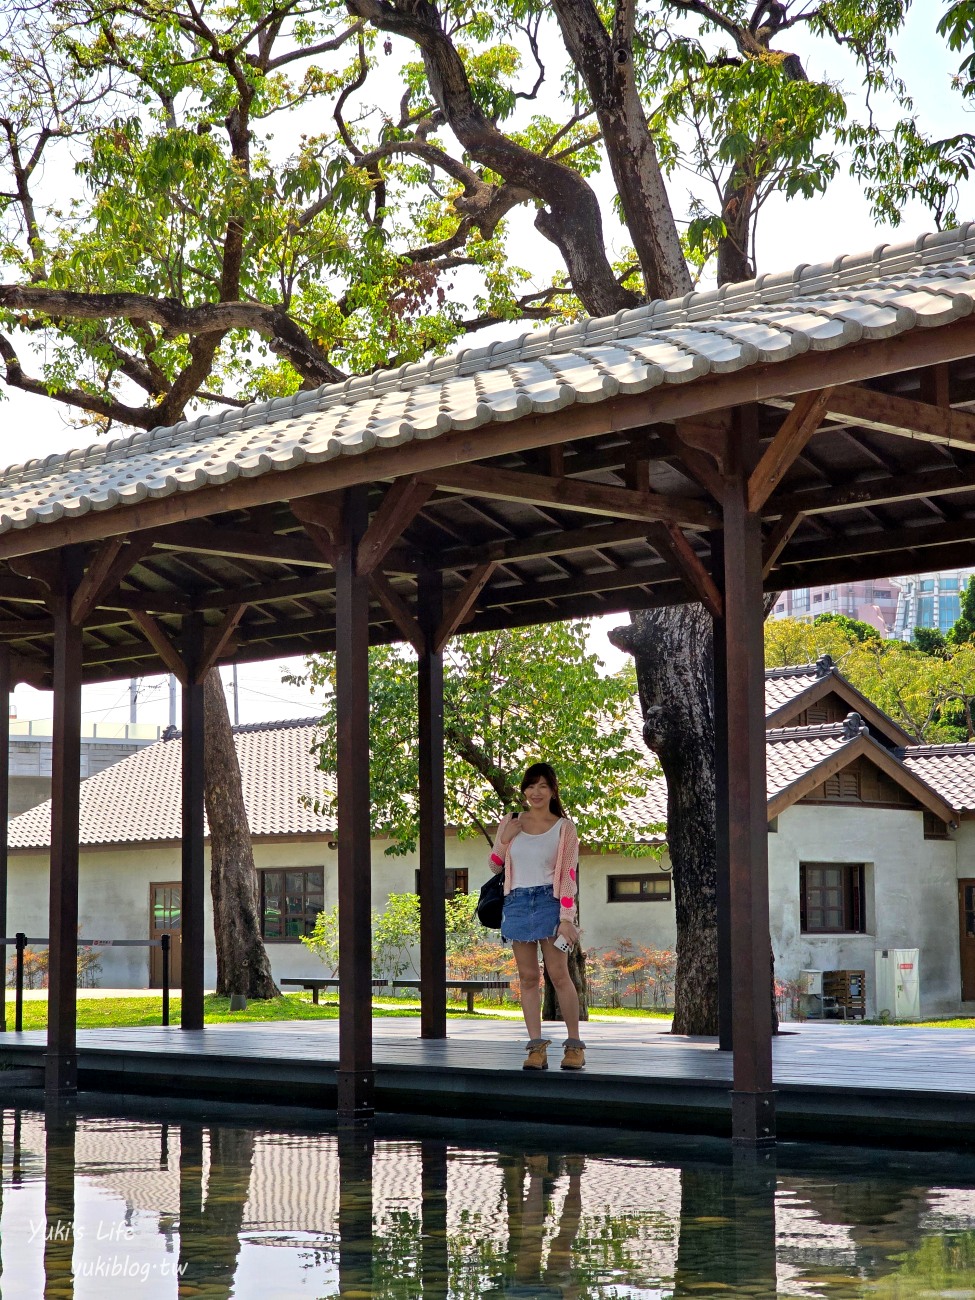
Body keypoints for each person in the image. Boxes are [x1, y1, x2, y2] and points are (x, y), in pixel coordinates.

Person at [488, 762, 585, 1072]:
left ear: (553, 790)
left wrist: (567, 917)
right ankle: (536, 1048)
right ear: (524, 790)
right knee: (528, 978)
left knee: (559, 975)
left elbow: (569, 875)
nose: (536, 792)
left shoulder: (565, 828)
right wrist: (505, 839)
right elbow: (494, 865)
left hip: (549, 902)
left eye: (543, 786)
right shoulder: (511, 821)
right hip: (515, 904)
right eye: (531, 786)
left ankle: (574, 1046)